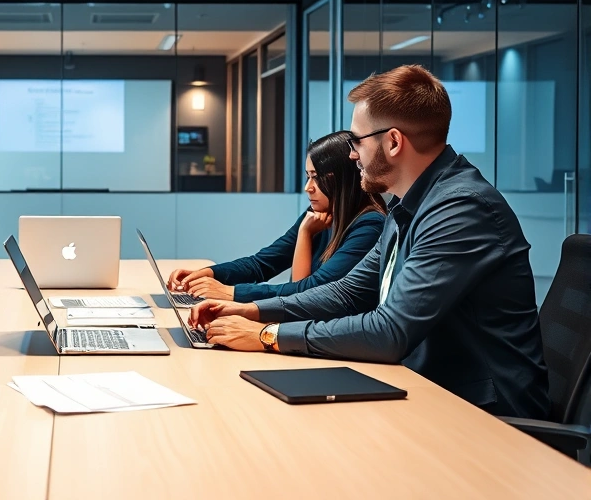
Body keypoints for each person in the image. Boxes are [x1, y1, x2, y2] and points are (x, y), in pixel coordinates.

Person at [190, 65, 550, 419]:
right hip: (430, 390)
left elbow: (389, 331)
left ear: (393, 142)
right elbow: (346, 292)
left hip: (483, 415)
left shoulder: (461, 210)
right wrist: (250, 312)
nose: (351, 155)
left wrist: (268, 335)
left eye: (356, 141)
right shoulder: (410, 204)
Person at [168, 131, 386, 303]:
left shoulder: (369, 226)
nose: (308, 188)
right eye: (308, 177)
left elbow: (309, 291)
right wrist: (209, 274)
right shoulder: (320, 215)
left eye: (317, 178)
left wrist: (232, 293)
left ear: (343, 179)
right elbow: (261, 264)